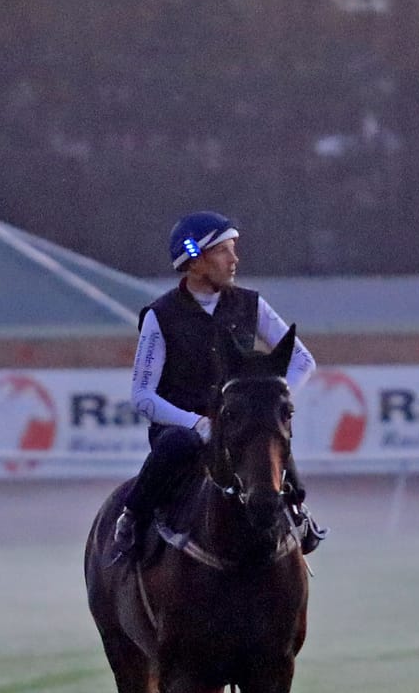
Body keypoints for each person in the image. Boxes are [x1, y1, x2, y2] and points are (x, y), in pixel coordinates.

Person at [104, 211, 323, 566]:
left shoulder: (252, 305)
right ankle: (131, 519)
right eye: (223, 251)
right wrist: (198, 424)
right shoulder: (160, 316)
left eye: (233, 249)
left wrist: (272, 404)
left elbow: (303, 361)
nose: (234, 260)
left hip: (236, 425)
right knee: (180, 443)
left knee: (267, 435)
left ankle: (299, 512)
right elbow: (142, 396)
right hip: (181, 433)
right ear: (194, 259)